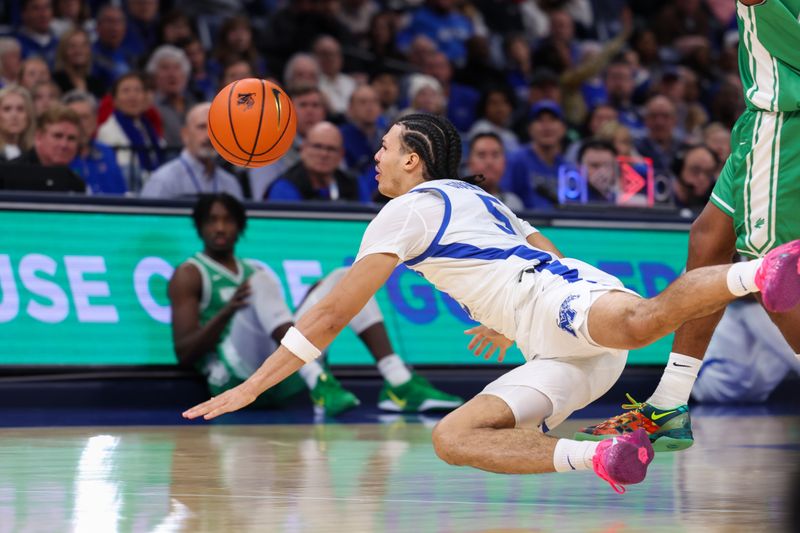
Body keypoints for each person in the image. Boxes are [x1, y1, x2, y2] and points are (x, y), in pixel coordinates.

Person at [183, 113, 800, 493]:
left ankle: (760, 272)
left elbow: (330, 312)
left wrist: (253, 387)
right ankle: (607, 455)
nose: (373, 157)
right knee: (454, 437)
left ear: (412, 158)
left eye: (384, 146)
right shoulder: (479, 198)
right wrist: (512, 322)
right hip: (549, 334)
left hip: (555, 300)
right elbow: (542, 244)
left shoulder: (404, 211)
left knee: (640, 323)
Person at [576, 0, 800, 451]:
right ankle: (670, 403)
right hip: (759, 120)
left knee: (768, 275)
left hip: (784, 116)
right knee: (708, 239)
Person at [170, 193, 463, 416]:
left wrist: (315, 299)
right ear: (199, 226)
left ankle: (397, 381)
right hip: (232, 376)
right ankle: (316, 378)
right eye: (212, 220)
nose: (220, 227)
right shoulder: (190, 273)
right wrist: (228, 310)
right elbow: (185, 352)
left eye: (227, 220)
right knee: (259, 282)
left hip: (277, 374)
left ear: (240, 226)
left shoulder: (249, 268)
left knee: (345, 279)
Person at [141, 102, 242, 199]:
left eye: (216, 128)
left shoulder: (230, 184)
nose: (209, 136)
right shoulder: (163, 180)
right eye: (202, 127)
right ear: (185, 134)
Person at [265, 122, 359, 202]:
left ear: (341, 154)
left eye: (331, 149)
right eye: (317, 146)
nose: (324, 154)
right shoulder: (284, 187)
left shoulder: (354, 184)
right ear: (303, 149)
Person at [62, 90, 127, 195]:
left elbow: (121, 194)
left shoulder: (107, 152)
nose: (80, 124)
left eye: (85, 117)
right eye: (73, 118)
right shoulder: (57, 154)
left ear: (95, 120)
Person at [466, 131, 523, 212]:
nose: (489, 162)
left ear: (504, 162)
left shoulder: (514, 203)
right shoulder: (459, 200)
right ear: (469, 162)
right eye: (481, 155)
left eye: (495, 155)